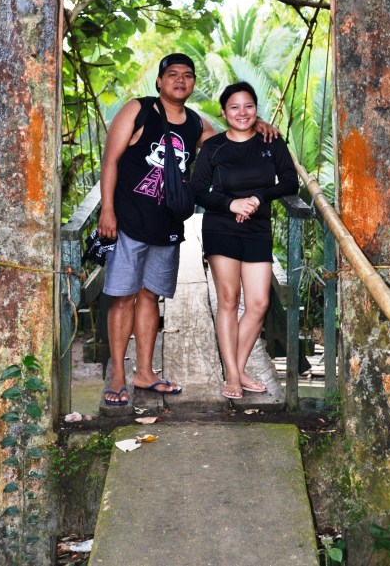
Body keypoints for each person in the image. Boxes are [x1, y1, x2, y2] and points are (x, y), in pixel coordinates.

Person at [98, 55, 279, 406]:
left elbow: (228, 137)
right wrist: (107, 210)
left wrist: (256, 123)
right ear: (160, 81)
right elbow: (110, 159)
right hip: (129, 219)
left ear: (193, 84)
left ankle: (146, 373)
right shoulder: (139, 110)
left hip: (167, 224)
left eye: (187, 76)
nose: (180, 80)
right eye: (172, 75)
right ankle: (119, 374)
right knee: (123, 296)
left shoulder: (195, 123)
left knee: (151, 296)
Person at [191, 81, 299, 400]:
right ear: (224, 113)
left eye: (248, 106)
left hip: (257, 227)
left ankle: (235, 370)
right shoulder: (214, 147)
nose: (242, 112)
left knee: (258, 303)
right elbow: (197, 190)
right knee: (228, 299)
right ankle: (234, 376)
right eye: (234, 107)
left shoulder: (271, 141)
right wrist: (231, 204)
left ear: (256, 110)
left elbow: (290, 182)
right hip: (221, 226)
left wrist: (256, 197)